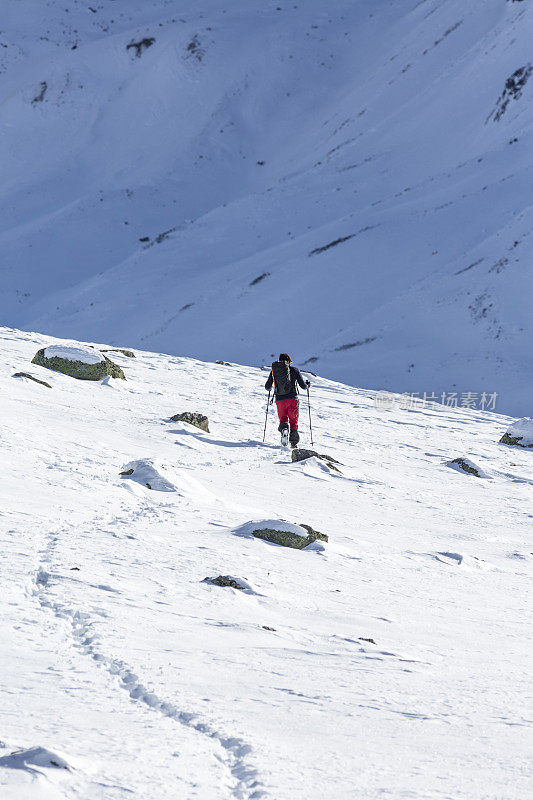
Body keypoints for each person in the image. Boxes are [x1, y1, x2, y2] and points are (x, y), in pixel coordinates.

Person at [265, 353, 310, 447]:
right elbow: (303, 386)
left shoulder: (274, 371)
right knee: (293, 421)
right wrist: (307, 385)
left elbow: (267, 387)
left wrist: (271, 388)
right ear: (289, 361)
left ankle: (284, 429)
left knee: (283, 419)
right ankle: (293, 443)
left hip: (280, 400)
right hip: (293, 399)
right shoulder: (294, 370)